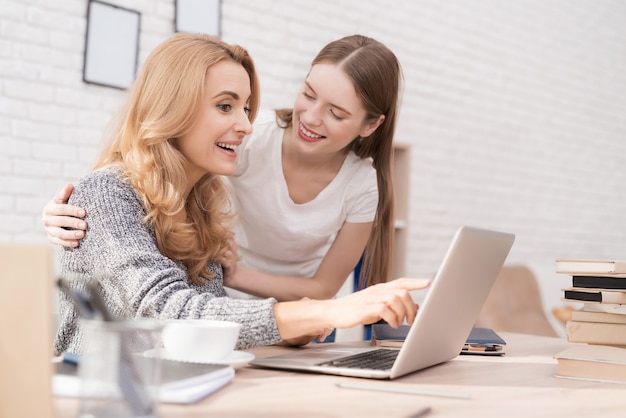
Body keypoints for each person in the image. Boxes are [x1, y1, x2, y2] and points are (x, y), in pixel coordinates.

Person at [52, 32, 428, 356]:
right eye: (226, 106)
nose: (246, 125)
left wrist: (292, 330)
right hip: (95, 392)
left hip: (182, 379)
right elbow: (169, 310)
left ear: (369, 125)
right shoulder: (108, 193)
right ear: (173, 106)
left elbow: (203, 319)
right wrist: (322, 313)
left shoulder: (202, 206)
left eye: (246, 108)